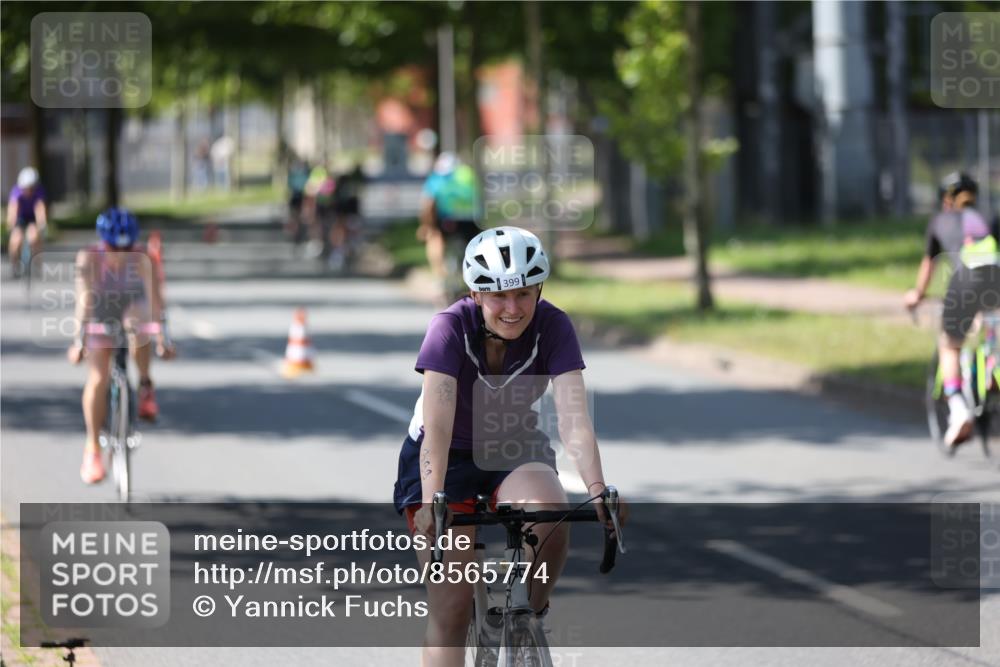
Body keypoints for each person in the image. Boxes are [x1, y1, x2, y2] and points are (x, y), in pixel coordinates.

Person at [393, 226, 626, 666]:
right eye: (498, 297)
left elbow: (574, 418)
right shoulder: (447, 330)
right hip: (444, 459)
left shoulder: (553, 325)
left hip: (513, 447)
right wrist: (431, 502)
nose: (513, 308)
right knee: (453, 607)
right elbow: (438, 429)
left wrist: (598, 490)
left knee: (551, 517)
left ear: (539, 289)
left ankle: (527, 618)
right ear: (475, 295)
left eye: (524, 294)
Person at [67, 209, 176, 484]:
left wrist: (163, 337)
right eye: (115, 246)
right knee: (98, 377)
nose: (121, 252)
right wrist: (79, 340)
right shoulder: (89, 258)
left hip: (132, 308)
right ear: (104, 243)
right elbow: (84, 302)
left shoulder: (142, 258)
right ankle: (92, 449)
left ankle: (145, 384)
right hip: (101, 310)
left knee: (137, 324)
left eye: (127, 246)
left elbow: (155, 300)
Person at [905, 172, 1000, 448]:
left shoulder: (939, 221)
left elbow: (928, 266)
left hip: (964, 283)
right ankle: (994, 365)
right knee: (992, 319)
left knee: (949, 343)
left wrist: (917, 295)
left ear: (946, 200)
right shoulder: (990, 216)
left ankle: (958, 410)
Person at [417, 152, 480, 294]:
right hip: (472, 220)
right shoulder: (469, 174)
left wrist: (426, 226)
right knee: (475, 247)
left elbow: (428, 204)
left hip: (447, 220)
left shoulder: (438, 178)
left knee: (434, 237)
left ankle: (439, 275)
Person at [6, 166, 48, 274]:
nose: (27, 191)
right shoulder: (16, 191)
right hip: (20, 218)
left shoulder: (38, 191)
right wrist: (11, 223)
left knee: (33, 238)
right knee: (15, 241)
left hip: (32, 218)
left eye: (30, 188)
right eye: (25, 188)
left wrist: (42, 223)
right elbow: (13, 208)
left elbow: (40, 208)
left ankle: (37, 263)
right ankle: (14, 265)